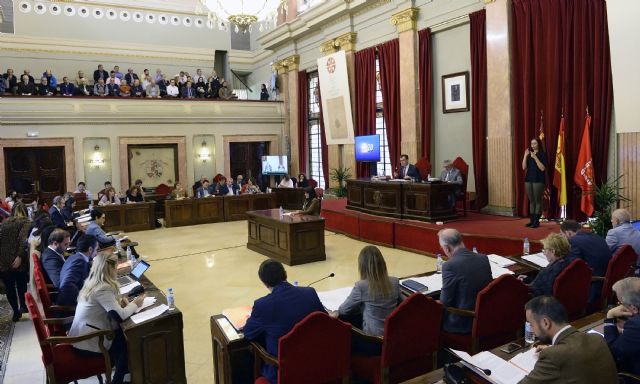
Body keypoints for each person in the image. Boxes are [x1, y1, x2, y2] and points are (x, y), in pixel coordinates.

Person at [243, 259, 325, 384]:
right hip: (316, 365)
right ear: (285, 273)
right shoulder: (310, 293)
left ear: (264, 283)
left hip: (283, 373)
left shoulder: (263, 305)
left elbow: (248, 334)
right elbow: (324, 320)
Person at [69, 252, 145, 384]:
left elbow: (110, 310)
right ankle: (119, 379)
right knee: (128, 340)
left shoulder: (91, 282)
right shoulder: (103, 288)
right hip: (90, 342)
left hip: (84, 334)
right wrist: (135, 304)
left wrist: (119, 305)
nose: (117, 270)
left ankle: (125, 375)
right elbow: (119, 317)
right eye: (116, 267)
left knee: (123, 337)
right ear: (109, 268)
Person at [519, 296, 617, 384]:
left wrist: (553, 352)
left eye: (531, 324)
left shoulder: (553, 356)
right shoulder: (597, 338)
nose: (532, 329)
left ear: (545, 323)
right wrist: (555, 348)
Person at [338, 246, 403, 337]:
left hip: (372, 339)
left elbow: (343, 310)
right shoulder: (394, 281)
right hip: (392, 336)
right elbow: (405, 303)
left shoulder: (361, 286)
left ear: (362, 266)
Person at [438, 228, 492, 333]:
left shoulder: (449, 265)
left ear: (447, 248)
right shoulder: (483, 258)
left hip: (463, 322)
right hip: (486, 316)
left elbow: (445, 302)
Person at [560, 220, 611, 303]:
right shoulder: (596, 236)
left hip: (593, 285)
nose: (561, 238)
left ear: (568, 233)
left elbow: (571, 266)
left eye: (562, 235)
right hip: (606, 278)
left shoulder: (573, 241)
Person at [0, 203, 31, 321]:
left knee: (9, 287)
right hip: (18, 260)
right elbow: (23, 240)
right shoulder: (26, 222)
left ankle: (15, 311)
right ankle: (23, 306)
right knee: (21, 285)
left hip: (4, 260)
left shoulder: (5, 222)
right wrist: (20, 256)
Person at [604, 277, 640, 375]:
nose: (619, 306)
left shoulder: (635, 325)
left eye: (621, 303)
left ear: (633, 308)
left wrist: (610, 316)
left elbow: (613, 353)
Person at [57, 234, 99, 306]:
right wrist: (85, 299)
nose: (96, 253)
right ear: (90, 249)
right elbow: (66, 285)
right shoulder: (79, 261)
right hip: (72, 305)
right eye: (96, 249)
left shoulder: (75, 257)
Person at [522, 137, 547, 228]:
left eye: (535, 143)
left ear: (538, 144)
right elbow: (524, 167)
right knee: (531, 201)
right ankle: (531, 221)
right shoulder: (529, 155)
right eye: (532, 144)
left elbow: (542, 168)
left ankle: (536, 222)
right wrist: (525, 155)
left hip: (538, 180)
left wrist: (535, 157)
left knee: (537, 201)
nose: (533, 145)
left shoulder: (542, 154)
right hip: (528, 179)